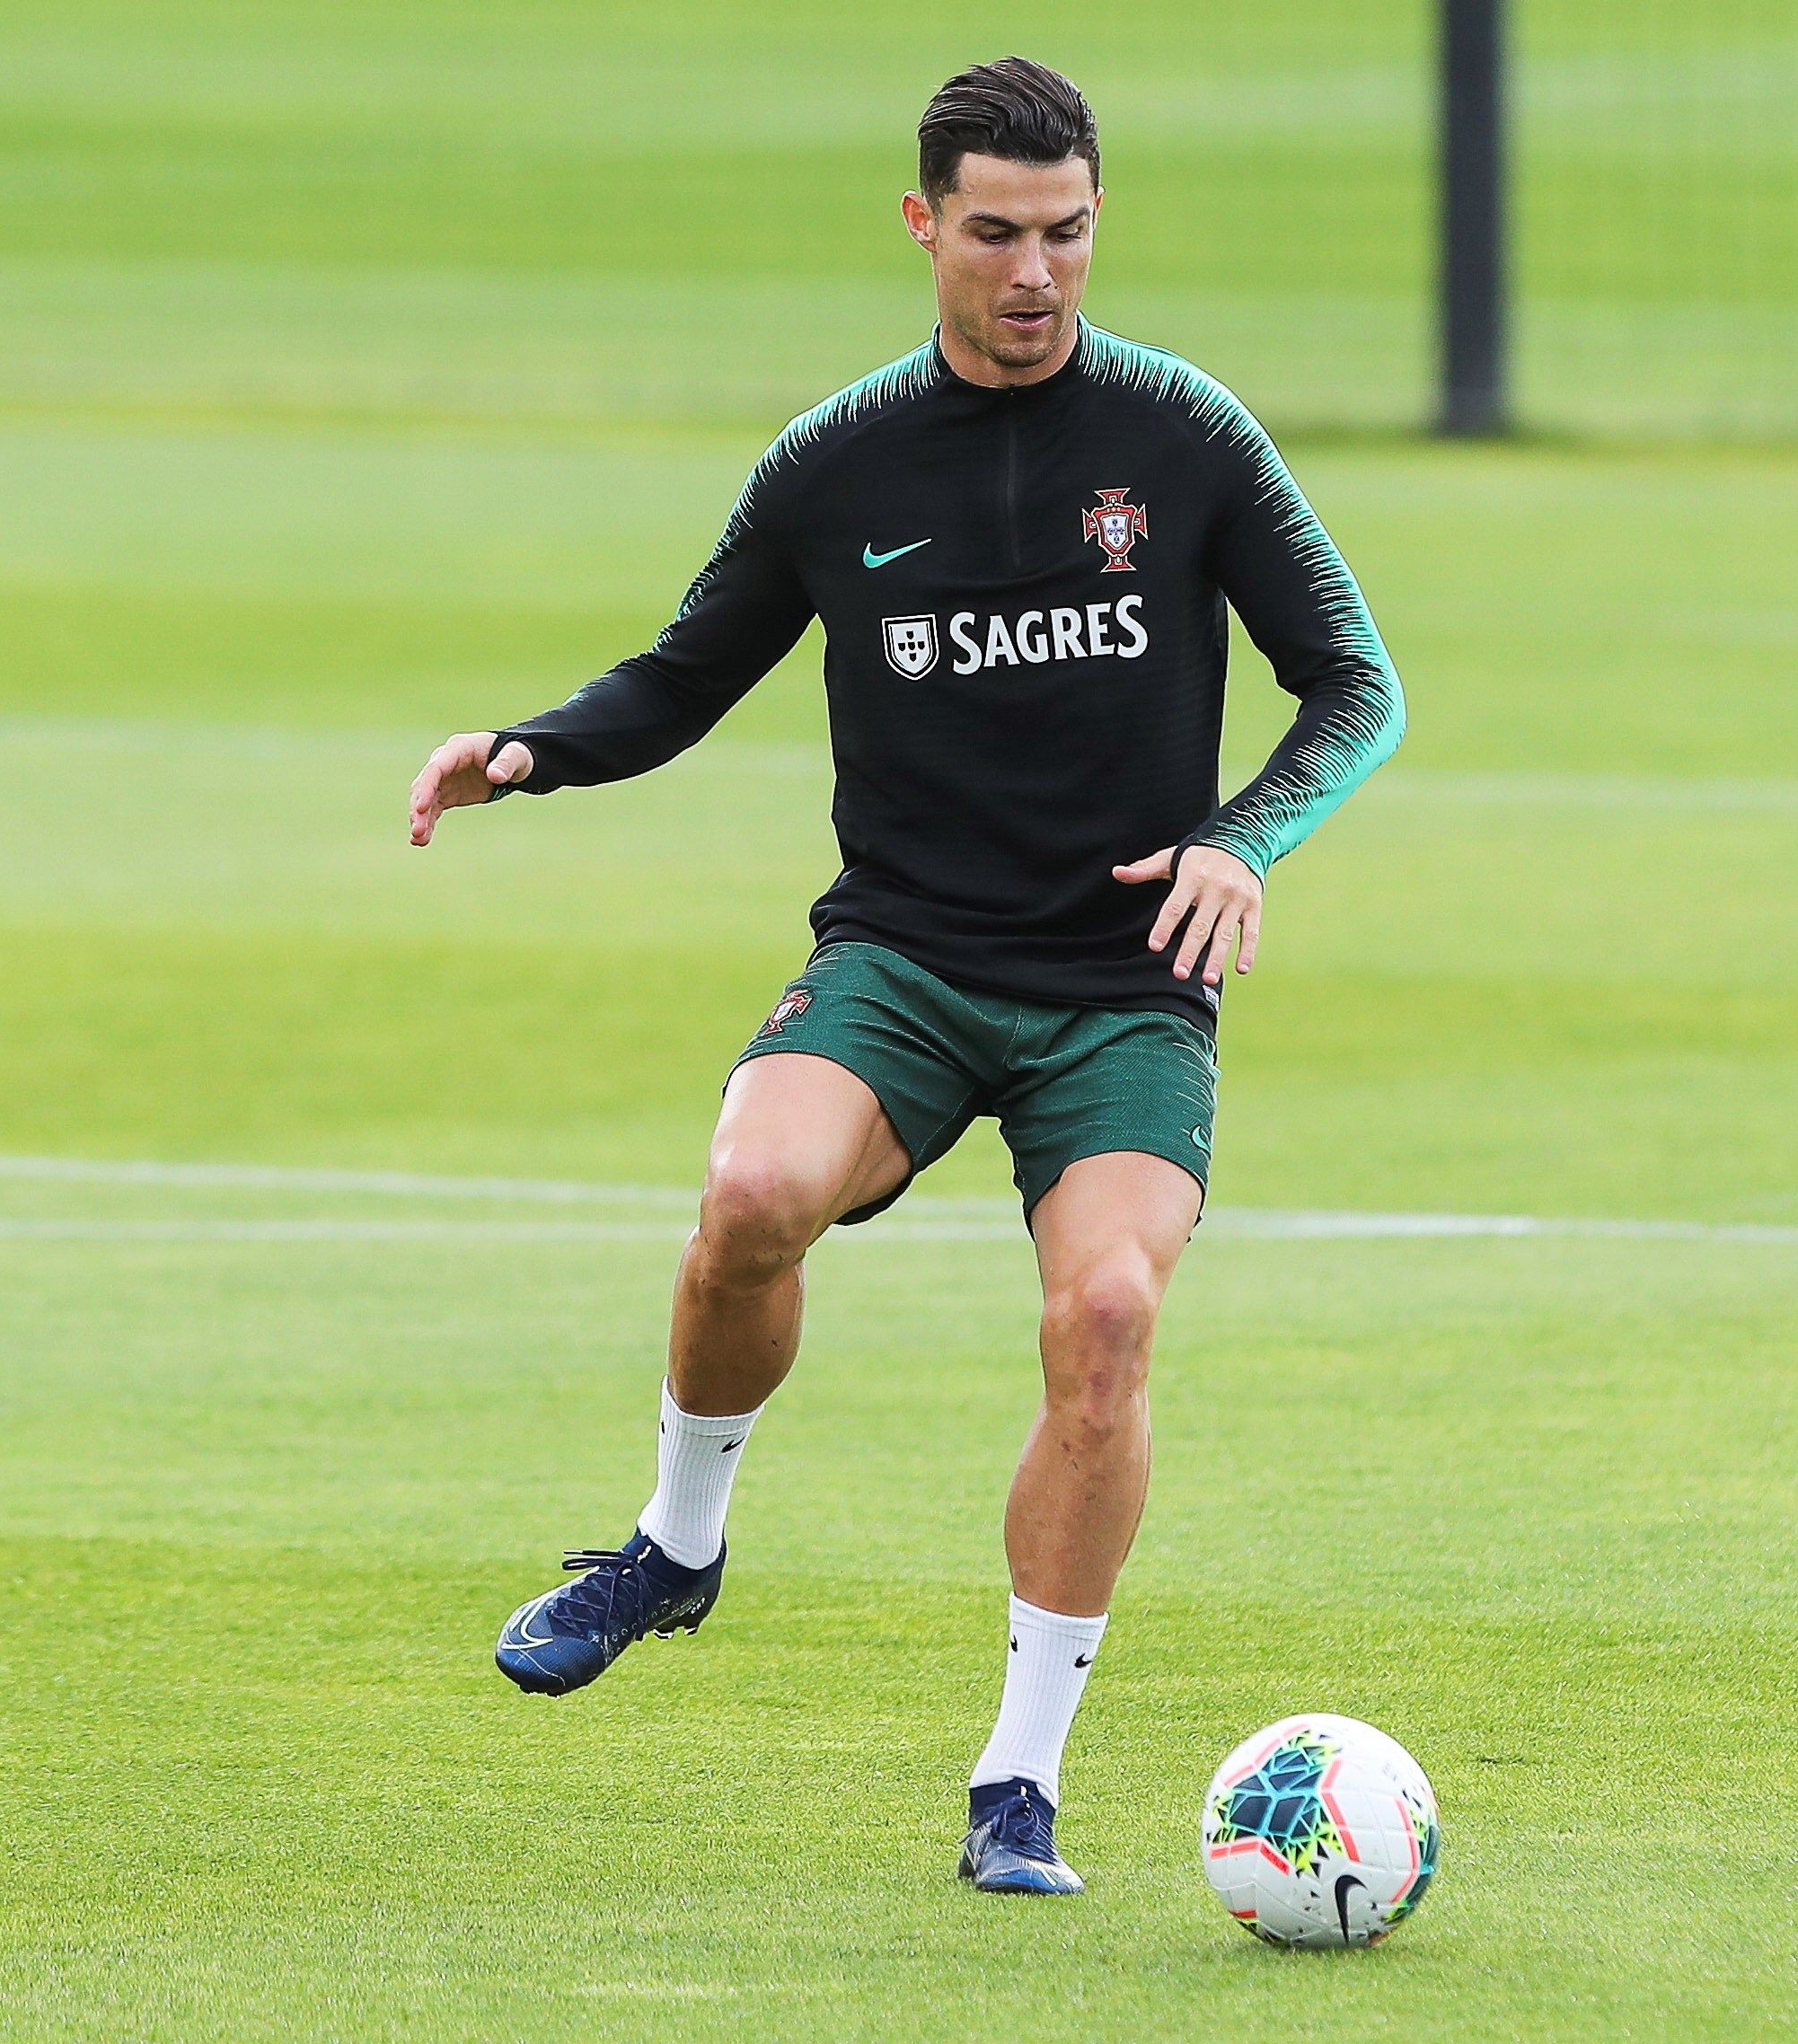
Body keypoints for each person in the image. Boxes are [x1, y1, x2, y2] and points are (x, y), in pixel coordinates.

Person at [405, 56, 1402, 1894]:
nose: (1038, 272)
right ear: (925, 223)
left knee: (1106, 1316)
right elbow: (685, 673)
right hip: (910, 953)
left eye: (1072, 232)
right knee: (752, 1189)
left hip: (1122, 985)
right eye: (1000, 232)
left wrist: (1238, 841)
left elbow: (1357, 683)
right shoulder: (838, 461)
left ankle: (1016, 1781)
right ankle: (673, 1548)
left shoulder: (1184, 438)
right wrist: (531, 749)